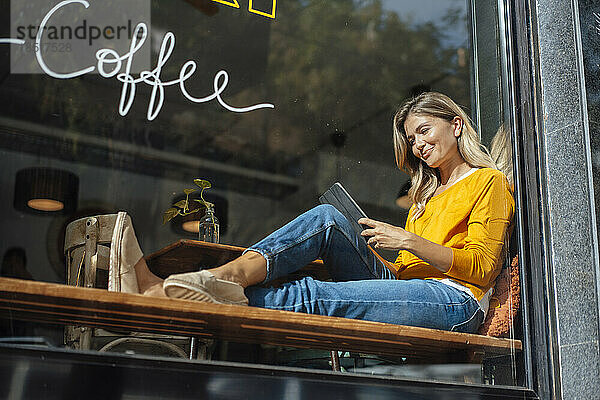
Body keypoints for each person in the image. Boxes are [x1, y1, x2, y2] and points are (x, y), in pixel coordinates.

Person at [130, 91, 514, 333]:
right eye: (412, 139)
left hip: (456, 301)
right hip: (406, 286)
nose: (417, 146)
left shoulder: (487, 182)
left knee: (313, 294)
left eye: (425, 132)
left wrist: (408, 240)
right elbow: (404, 274)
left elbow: (482, 268)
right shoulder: (424, 198)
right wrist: (382, 248)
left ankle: (169, 290)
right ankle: (224, 278)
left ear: (457, 125)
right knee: (327, 218)